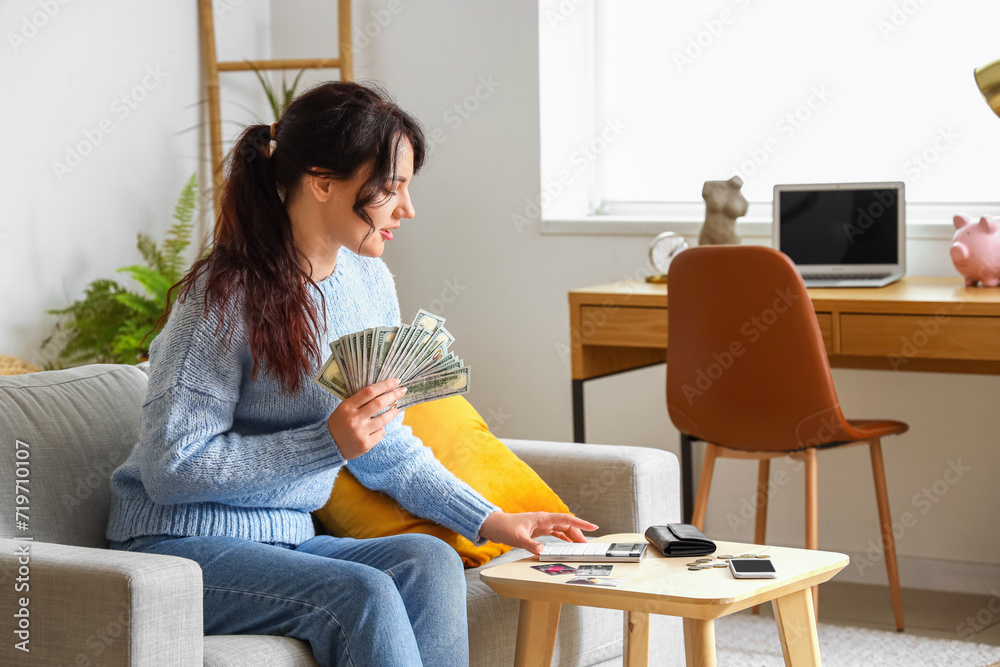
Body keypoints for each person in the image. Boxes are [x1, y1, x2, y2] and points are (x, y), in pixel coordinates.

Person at [104, 80, 597, 667]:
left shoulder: (368, 283)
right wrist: (324, 442)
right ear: (322, 182)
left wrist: (492, 519)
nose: (406, 210)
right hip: (175, 544)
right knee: (358, 594)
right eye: (390, 189)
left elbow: (382, 445)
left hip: (286, 538)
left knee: (427, 560)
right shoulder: (220, 299)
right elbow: (171, 467)